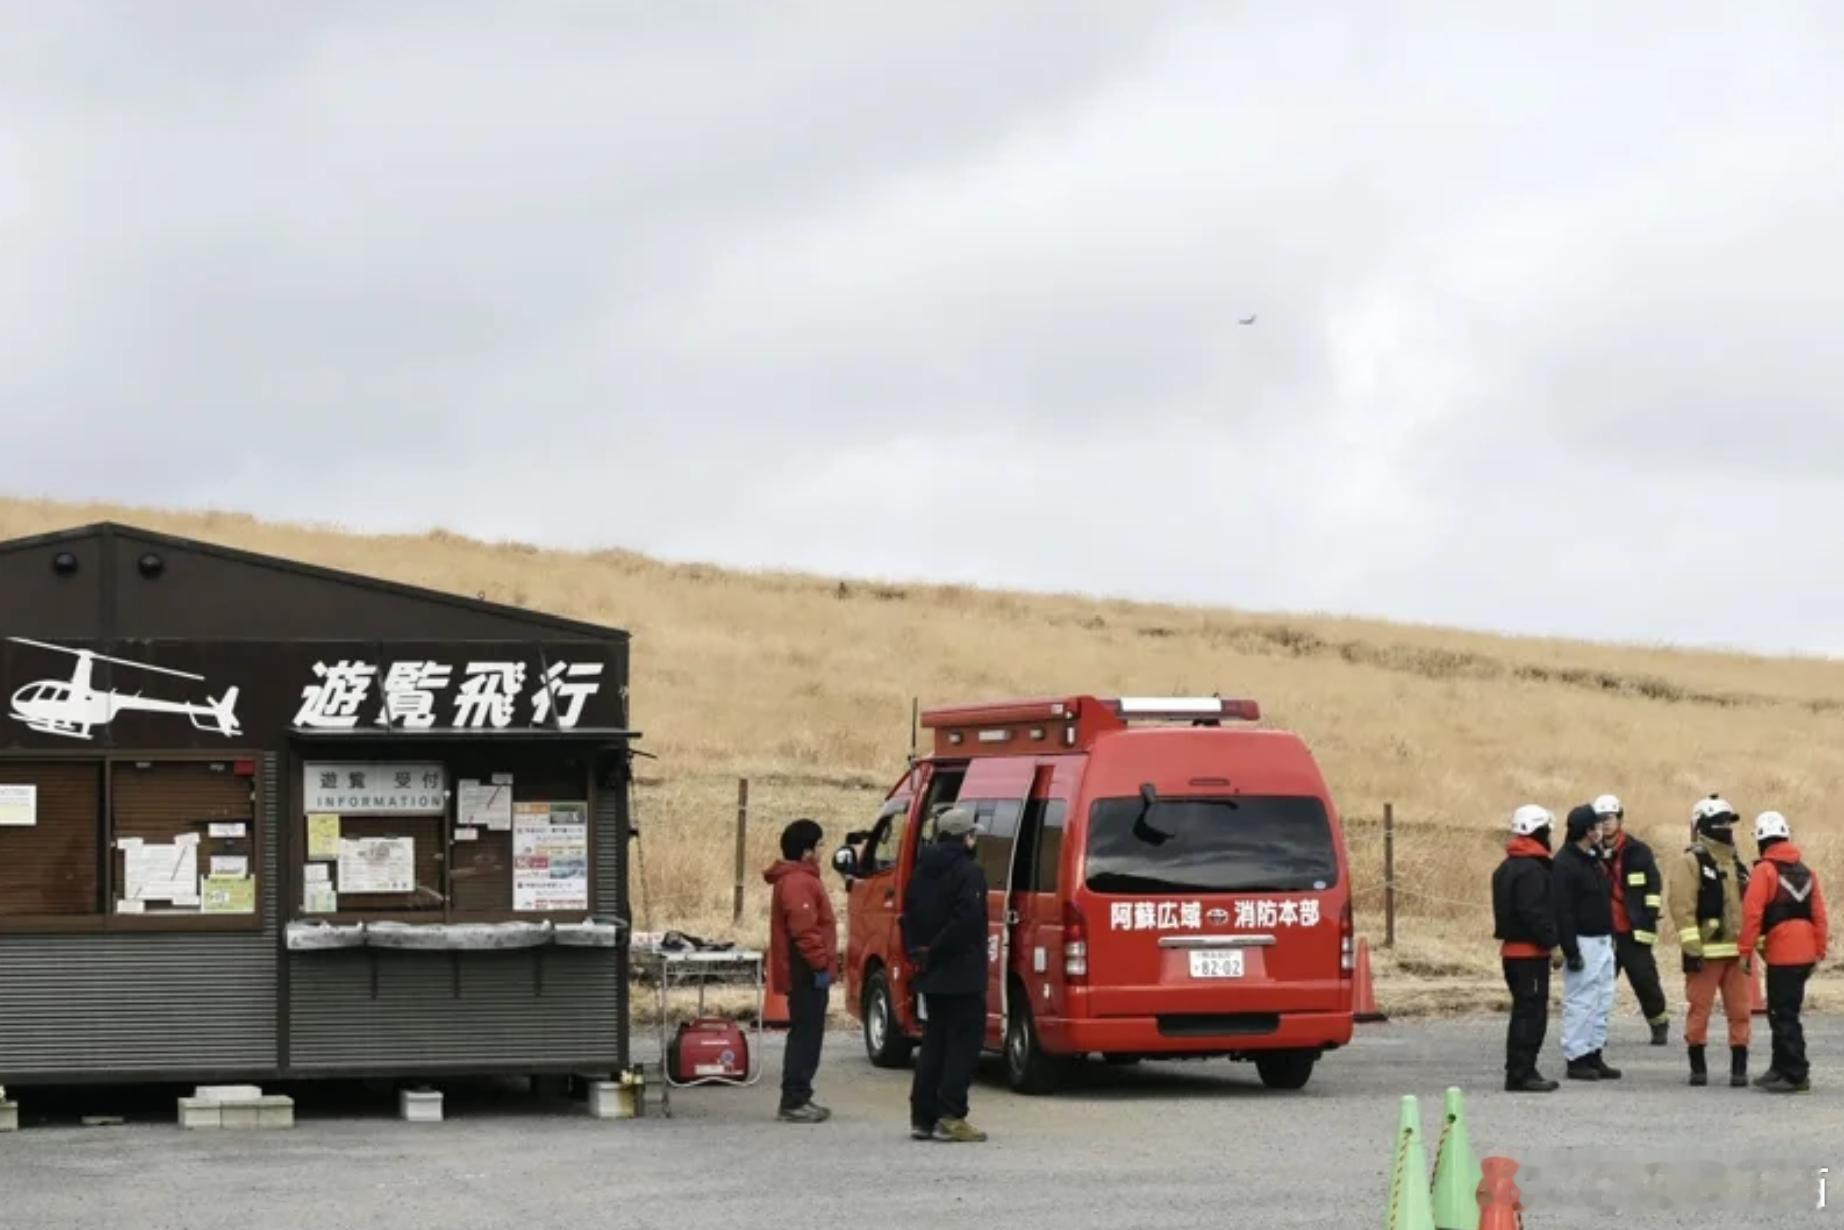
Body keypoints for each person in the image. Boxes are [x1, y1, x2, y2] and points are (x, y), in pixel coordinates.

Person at [901, 806, 990, 1143]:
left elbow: (908, 916)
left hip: (931, 972)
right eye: (972, 834)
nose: (974, 839)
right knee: (963, 1046)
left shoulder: (921, 870)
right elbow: (966, 923)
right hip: (962, 972)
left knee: (934, 1044)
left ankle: (922, 1117)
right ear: (964, 837)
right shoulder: (969, 873)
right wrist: (939, 948)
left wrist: (922, 952)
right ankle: (951, 1115)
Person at [1738, 811, 1829, 1094]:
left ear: (1761, 840)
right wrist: (1819, 951)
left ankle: (1795, 1073)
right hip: (1805, 954)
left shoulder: (1764, 871)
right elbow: (1820, 915)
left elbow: (1752, 914)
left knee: (1784, 1014)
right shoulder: (1807, 871)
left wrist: (1745, 950)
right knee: (1782, 1011)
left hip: (1783, 954)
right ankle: (1779, 1067)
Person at [1668, 795, 1752, 1087]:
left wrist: (1751, 948)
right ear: (1702, 825)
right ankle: (1698, 1068)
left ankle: (1739, 1070)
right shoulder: (1690, 862)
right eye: (1719, 822)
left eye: (1727, 822)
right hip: (1705, 953)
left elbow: (1750, 909)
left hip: (1737, 955)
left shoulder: (1737, 864)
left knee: (1741, 1012)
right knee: (1699, 1010)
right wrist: (1692, 950)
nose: (1726, 828)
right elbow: (1682, 907)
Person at [765, 818, 838, 1123]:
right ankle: (795, 1099)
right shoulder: (798, 882)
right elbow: (805, 931)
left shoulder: (799, 879)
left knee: (807, 1034)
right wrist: (821, 964)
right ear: (807, 850)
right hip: (805, 970)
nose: (823, 851)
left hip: (803, 969)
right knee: (806, 1036)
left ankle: (800, 1095)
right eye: (820, 844)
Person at [1492, 804, 1561, 1092]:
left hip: (1514, 953)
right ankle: (1522, 1073)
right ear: (1540, 832)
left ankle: (1520, 1070)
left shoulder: (1507, 867)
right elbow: (1534, 913)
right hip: (1529, 954)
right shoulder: (1532, 870)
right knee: (1531, 1014)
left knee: (1524, 1011)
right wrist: (1553, 943)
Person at [1594, 794, 1671, 1046]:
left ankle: (1659, 1024)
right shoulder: (1588, 852)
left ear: (1620, 819)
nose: (1604, 824)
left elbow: (1653, 883)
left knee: (1645, 980)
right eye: (1599, 819)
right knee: (1599, 986)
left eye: (1609, 818)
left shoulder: (1638, 851)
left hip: (1632, 930)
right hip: (1601, 932)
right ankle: (1596, 1032)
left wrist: (1648, 916)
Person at [1554, 803, 1621, 1081]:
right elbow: (1562, 910)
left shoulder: (1593, 859)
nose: (1599, 831)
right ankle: (1576, 1056)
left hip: (1603, 940)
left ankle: (1594, 1052)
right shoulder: (1565, 863)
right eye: (1594, 827)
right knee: (1580, 1000)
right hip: (1582, 940)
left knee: (1602, 998)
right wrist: (1570, 949)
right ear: (1584, 830)